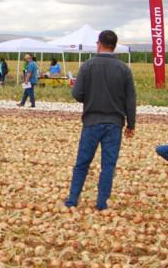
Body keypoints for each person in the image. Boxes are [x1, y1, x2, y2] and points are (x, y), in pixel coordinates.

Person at [65, 30, 136, 211]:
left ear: (99, 44)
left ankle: (73, 199)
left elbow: (77, 93)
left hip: (92, 120)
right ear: (114, 46)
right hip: (114, 123)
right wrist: (131, 124)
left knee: (82, 163)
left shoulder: (88, 65)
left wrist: (89, 99)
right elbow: (130, 99)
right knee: (108, 165)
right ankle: (101, 203)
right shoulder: (124, 69)